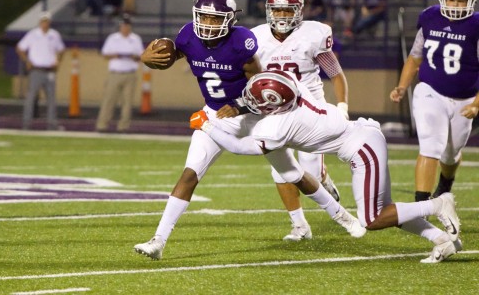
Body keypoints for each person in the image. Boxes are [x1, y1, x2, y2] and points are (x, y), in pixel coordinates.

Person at [134, 0, 362, 260]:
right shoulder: (187, 36)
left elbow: (259, 84)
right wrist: (146, 58)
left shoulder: (241, 41)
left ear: (229, 20)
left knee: (293, 175)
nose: (207, 24)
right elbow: (172, 53)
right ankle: (158, 240)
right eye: (204, 18)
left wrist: (241, 106)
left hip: (255, 115)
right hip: (215, 113)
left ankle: (343, 217)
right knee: (189, 174)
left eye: (215, 19)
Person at [191, 70, 462, 263]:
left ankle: (438, 204)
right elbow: (276, 87)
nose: (249, 101)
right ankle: (444, 240)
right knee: (389, 212)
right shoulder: (296, 86)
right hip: (364, 138)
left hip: (362, 149)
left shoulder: (279, 126)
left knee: (372, 219)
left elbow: (240, 147)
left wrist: (205, 124)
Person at [250, 0, 350, 241]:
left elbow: (335, 74)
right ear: (269, 11)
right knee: (280, 169)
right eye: (278, 11)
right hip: (275, 110)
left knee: (311, 175)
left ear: (299, 11)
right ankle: (299, 225)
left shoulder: (313, 34)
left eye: (287, 11)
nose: (282, 16)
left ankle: (323, 176)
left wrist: (342, 106)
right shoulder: (256, 38)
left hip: (309, 109)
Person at [390, 0, 479, 204]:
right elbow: (415, 56)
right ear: (442, 0)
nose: (456, 6)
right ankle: (421, 205)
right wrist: (402, 86)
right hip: (430, 90)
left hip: (464, 99)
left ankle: (446, 181)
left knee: (450, 155)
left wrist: (477, 103)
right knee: (430, 145)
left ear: (471, 2)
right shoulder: (430, 17)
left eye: (461, 1)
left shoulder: (476, 26)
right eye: (451, 0)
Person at [16, 11, 66, 130]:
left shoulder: (54, 35)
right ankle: (26, 123)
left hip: (50, 70)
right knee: (31, 97)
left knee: (51, 99)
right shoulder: (32, 34)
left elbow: (61, 49)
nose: (45, 23)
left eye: (47, 21)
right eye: (43, 21)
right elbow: (20, 48)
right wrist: (27, 61)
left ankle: (51, 124)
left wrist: (58, 61)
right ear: (40, 22)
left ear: (50, 22)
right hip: (36, 70)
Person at [95, 15, 144, 132]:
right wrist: (115, 55)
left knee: (127, 102)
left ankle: (123, 126)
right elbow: (105, 54)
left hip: (130, 73)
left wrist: (134, 57)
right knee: (109, 100)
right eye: (123, 26)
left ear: (130, 27)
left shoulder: (135, 39)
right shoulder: (113, 38)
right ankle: (102, 124)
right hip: (115, 73)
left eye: (127, 26)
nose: (125, 28)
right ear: (120, 27)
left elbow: (142, 56)